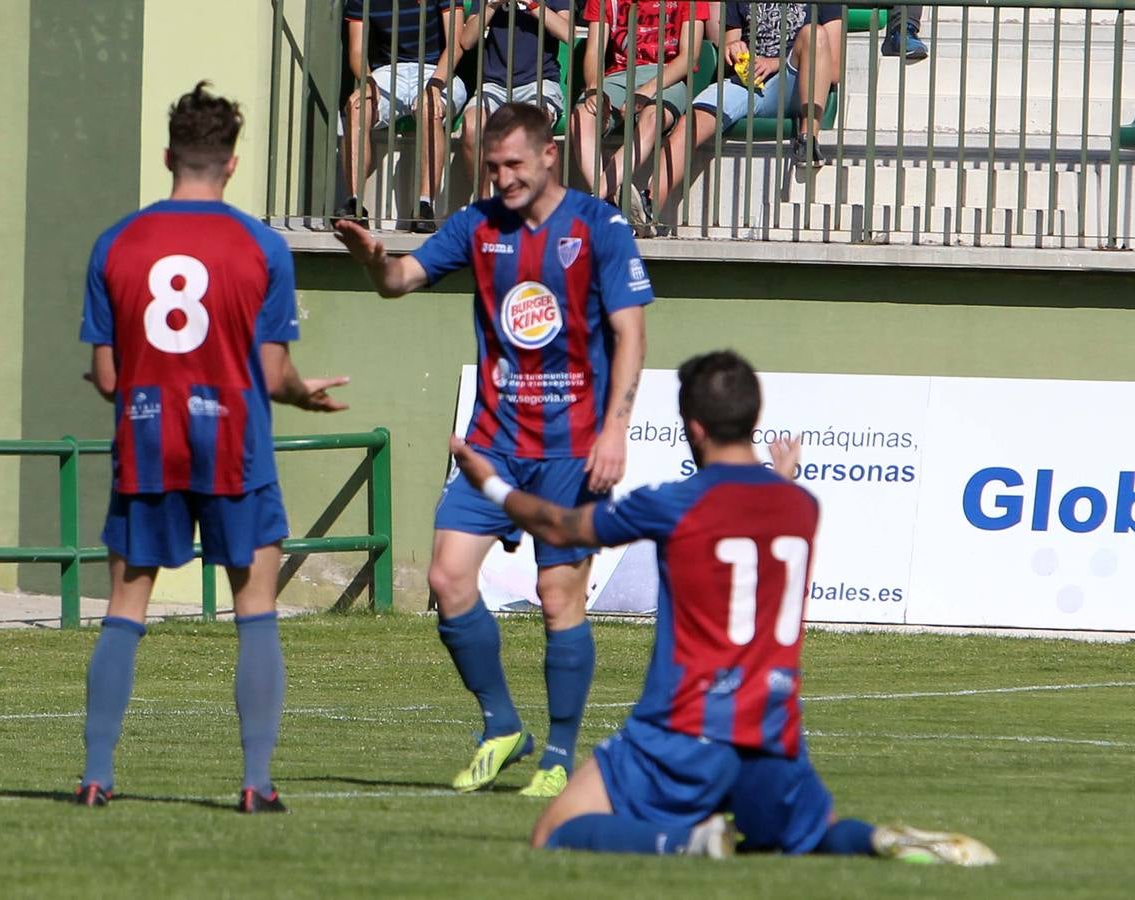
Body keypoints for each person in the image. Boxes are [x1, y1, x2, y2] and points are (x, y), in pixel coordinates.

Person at [449, 350, 998, 865]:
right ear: (754, 421)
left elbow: (556, 525)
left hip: (684, 727)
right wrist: (780, 477)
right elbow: (752, 513)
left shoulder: (673, 503)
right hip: (772, 732)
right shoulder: (799, 506)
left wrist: (490, 484)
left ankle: (685, 842)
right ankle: (882, 840)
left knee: (555, 829)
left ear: (694, 428)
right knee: (808, 836)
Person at [333, 101, 650, 799]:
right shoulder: (476, 227)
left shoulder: (599, 227)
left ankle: (560, 755)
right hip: (494, 444)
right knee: (447, 579)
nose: (502, 177)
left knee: (557, 594)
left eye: (513, 164)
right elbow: (400, 282)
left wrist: (616, 430)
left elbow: (630, 333)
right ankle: (502, 724)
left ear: (547, 157)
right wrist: (374, 260)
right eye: (492, 164)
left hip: (572, 447)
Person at [76, 81, 349, 813]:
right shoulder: (260, 247)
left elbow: (107, 375)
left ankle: (97, 774)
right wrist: (300, 390)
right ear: (231, 164)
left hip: (146, 440)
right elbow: (268, 373)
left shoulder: (117, 243)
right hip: (235, 445)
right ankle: (256, 784)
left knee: (124, 608)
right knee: (254, 606)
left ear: (169, 155)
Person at [643, 1, 842, 231]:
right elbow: (729, 47)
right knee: (691, 122)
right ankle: (649, 204)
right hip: (747, 80)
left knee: (813, 33)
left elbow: (834, 70)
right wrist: (735, 48)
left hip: (795, 81)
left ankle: (808, 140)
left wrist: (773, 63)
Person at [569, 0, 709, 218]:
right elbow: (594, 51)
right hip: (617, 75)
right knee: (581, 116)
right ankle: (609, 203)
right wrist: (594, 88)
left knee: (653, 116)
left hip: (667, 75)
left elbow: (689, 57)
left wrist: (647, 90)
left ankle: (597, 198)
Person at [338, 0, 467, 233]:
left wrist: (434, 86)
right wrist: (367, 82)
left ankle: (424, 207)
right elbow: (357, 50)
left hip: (437, 71)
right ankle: (355, 204)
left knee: (430, 108)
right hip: (388, 72)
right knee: (357, 106)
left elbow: (456, 44)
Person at [458, 0, 572, 197]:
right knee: (472, 127)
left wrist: (533, 4)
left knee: (535, 129)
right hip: (494, 83)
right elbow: (466, 41)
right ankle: (486, 207)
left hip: (539, 81)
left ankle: (540, 206)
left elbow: (568, 33)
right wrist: (492, 6)